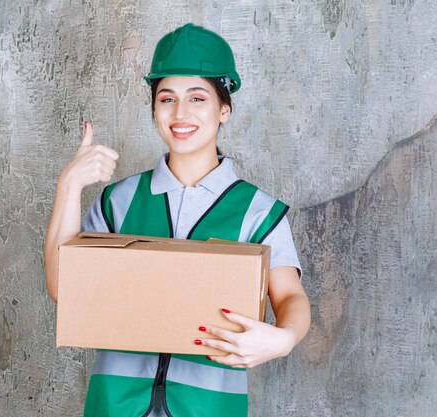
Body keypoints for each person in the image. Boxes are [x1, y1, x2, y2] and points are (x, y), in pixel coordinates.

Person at [44, 23, 311, 417]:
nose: (180, 113)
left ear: (224, 108)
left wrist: (284, 338)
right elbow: (63, 287)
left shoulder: (257, 212)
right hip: (115, 406)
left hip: (208, 407)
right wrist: (69, 186)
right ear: (154, 108)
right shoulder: (119, 201)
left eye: (197, 98)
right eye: (166, 98)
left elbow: (289, 296)